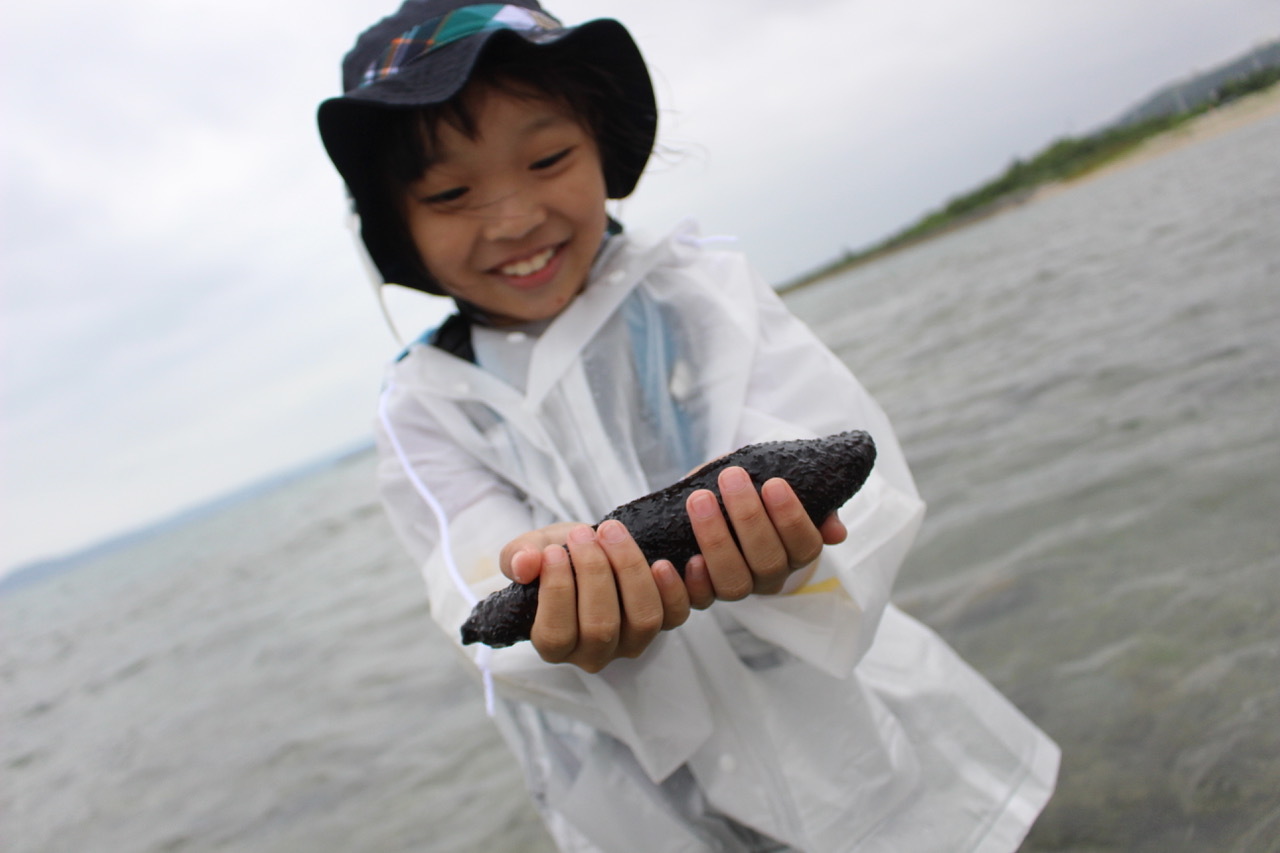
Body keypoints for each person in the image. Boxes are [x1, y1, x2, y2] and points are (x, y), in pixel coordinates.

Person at [318, 2, 1060, 850]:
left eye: (548, 157)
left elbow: (856, 468)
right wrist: (566, 616)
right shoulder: (424, 407)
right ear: (395, 226)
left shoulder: (699, 293)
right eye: (450, 193)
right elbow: (475, 590)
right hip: (642, 801)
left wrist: (793, 562)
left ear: (603, 144)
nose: (513, 218)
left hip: (843, 736)